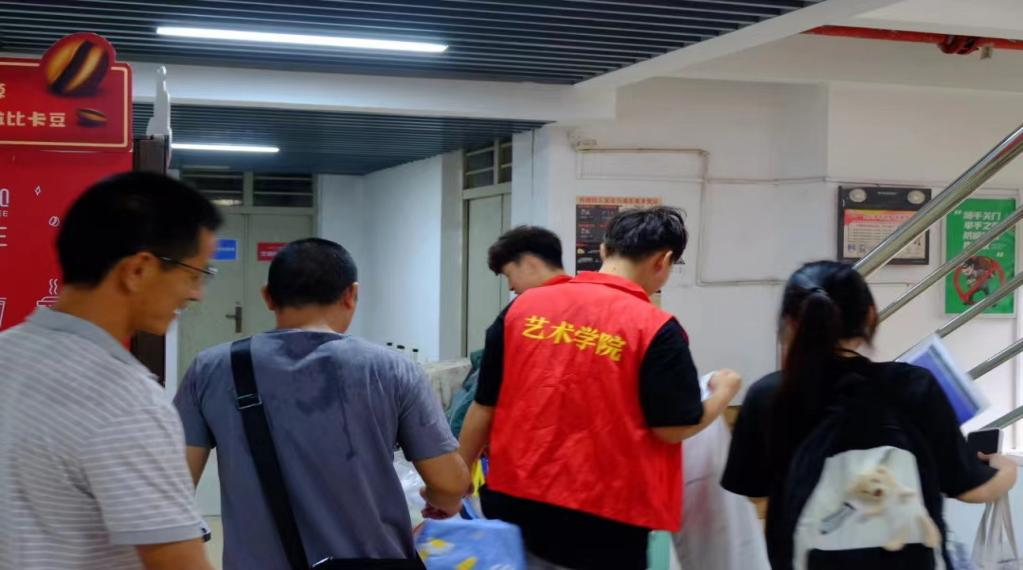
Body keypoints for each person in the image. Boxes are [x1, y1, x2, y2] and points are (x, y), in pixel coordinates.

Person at [454, 206, 742, 570]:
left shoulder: (523, 308)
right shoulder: (656, 329)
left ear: (604, 251)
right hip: (604, 523)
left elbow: (484, 405)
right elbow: (673, 428)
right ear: (664, 260)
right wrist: (723, 392)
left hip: (515, 504)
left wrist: (458, 476)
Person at [174, 238, 470, 569]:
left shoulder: (211, 368)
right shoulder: (393, 370)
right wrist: (439, 500)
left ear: (267, 297)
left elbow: (174, 487)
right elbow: (449, 483)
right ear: (351, 294)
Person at [722, 260, 1019, 568]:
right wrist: (1005, 470)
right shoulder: (914, 386)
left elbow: (754, 491)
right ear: (870, 316)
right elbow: (972, 489)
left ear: (791, 322)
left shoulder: (769, 395)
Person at [0, 172, 221, 570]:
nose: (196, 294)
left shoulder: (7, 352)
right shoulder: (127, 401)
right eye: (193, 275)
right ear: (138, 270)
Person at [448, 226, 570, 437]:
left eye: (509, 275)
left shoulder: (518, 314)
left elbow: (484, 403)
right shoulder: (600, 306)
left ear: (530, 263)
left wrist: (462, 457)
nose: (510, 287)